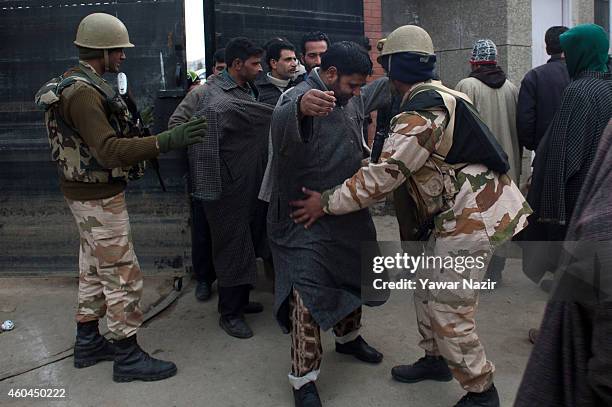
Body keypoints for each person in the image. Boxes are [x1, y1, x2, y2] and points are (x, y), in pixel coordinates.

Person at [289, 26, 531, 407]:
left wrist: (327, 201)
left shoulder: (422, 111)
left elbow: (382, 177)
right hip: (454, 211)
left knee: (449, 305)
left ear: (392, 67)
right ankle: (436, 359)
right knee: (424, 286)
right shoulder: (439, 93)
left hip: (472, 216)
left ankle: (481, 391)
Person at [34, 13, 206, 382]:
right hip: (98, 199)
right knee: (122, 274)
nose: (124, 56)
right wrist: (165, 141)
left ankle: (88, 342)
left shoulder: (79, 83)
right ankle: (127, 355)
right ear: (102, 50)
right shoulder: (82, 94)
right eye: (119, 50)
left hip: (85, 195)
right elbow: (110, 152)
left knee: (93, 268)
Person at [265, 41, 391, 407]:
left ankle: (349, 340)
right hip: (306, 218)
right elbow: (282, 118)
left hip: (347, 213)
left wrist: (392, 54)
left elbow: (379, 90)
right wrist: (301, 109)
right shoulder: (300, 95)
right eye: (352, 85)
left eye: (359, 86)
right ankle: (303, 380)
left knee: (353, 277)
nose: (357, 93)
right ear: (330, 74)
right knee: (307, 295)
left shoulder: (351, 97)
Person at [520, 23, 612, 349]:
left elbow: (561, 158)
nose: (566, 58)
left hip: (573, 202)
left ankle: (556, 338)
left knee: (567, 275)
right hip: (603, 199)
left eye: (570, 52)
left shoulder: (579, 91)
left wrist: (550, 212)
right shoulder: (609, 87)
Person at [188, 37, 273, 339]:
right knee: (231, 248)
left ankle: (242, 300)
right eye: (254, 64)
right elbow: (201, 147)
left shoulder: (246, 88)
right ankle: (230, 313)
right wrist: (211, 191)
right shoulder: (213, 98)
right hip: (226, 188)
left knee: (246, 244)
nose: (260, 69)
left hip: (249, 182)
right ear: (237, 65)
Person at [515, 25, 570, 342]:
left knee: (545, 224)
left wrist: (535, 146)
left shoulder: (535, 77)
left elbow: (525, 121)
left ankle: (552, 273)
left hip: (547, 162)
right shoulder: (584, 78)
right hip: (581, 164)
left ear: (546, 46)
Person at [168, 49, 227, 302]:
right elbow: (175, 124)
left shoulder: (244, 93)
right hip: (204, 171)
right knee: (203, 228)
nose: (224, 73)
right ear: (214, 69)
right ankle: (204, 278)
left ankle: (229, 283)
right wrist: (205, 139)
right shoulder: (200, 94)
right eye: (220, 68)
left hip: (233, 175)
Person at [456, 39, 520, 184]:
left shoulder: (466, 86)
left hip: (479, 175)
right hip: (509, 174)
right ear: (495, 62)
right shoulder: (512, 88)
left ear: (474, 63)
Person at [256, 39, 298, 105]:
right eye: (288, 60)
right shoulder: (256, 90)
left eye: (294, 59)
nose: (294, 64)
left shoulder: (299, 87)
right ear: (273, 63)